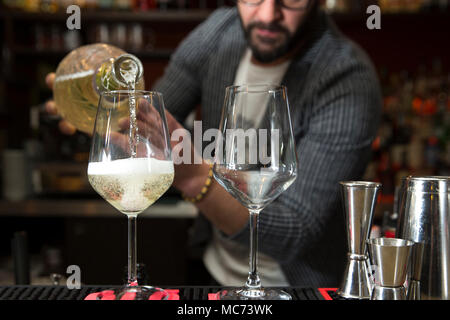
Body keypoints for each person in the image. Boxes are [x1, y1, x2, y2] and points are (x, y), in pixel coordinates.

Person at [46, 0, 382, 287]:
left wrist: (194, 177)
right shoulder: (220, 32)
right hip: (213, 273)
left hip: (298, 286)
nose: (267, 15)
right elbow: (144, 119)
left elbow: (295, 230)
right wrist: (96, 108)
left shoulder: (346, 78)